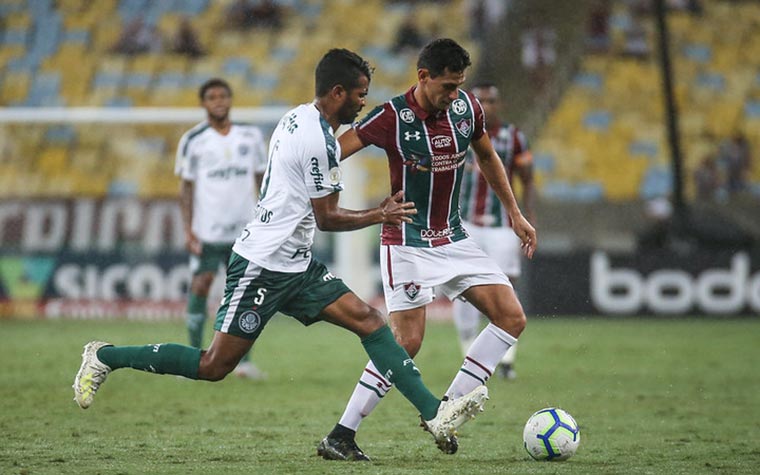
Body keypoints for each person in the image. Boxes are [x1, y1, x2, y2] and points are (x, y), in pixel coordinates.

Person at [73, 48, 489, 454]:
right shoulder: (317, 142)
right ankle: (105, 355)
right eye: (361, 94)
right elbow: (326, 218)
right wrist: (380, 214)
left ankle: (434, 412)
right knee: (214, 366)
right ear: (338, 92)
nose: (364, 103)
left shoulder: (298, 116)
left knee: (370, 321)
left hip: (297, 265)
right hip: (262, 266)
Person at [318, 38, 536, 461]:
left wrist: (515, 212)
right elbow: (335, 153)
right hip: (406, 242)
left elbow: (489, 157)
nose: (454, 95)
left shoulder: (466, 109)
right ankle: (342, 434)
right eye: (447, 87)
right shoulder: (390, 117)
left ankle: (446, 409)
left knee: (511, 317)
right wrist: (344, 201)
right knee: (407, 344)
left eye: (459, 86)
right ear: (423, 77)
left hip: (453, 237)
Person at [176, 77, 267, 380]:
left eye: (223, 96)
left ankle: (243, 363)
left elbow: (262, 181)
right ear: (203, 103)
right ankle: (192, 355)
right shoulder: (193, 140)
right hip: (208, 231)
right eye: (212, 97)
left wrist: (266, 218)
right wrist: (188, 229)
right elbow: (186, 188)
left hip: (245, 231)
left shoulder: (250, 136)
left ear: (230, 100)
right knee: (201, 285)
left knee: (243, 293)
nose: (218, 101)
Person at [454, 82, 535, 380]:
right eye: (481, 101)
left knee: (505, 286)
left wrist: (527, 214)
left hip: (502, 225)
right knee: (463, 289)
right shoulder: (457, 131)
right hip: (465, 224)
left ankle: (507, 360)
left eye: (491, 100)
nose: (486, 106)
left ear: (499, 105)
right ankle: (468, 353)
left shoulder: (514, 137)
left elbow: (527, 177)